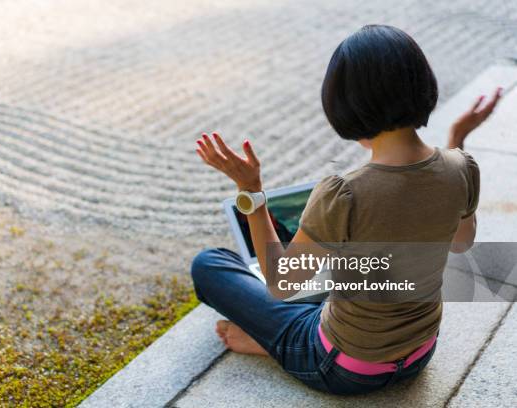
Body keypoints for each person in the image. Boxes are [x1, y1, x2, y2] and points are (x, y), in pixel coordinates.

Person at [191, 24, 502, 395]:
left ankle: (274, 345)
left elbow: (280, 283)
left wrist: (252, 193)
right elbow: (460, 243)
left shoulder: (343, 193)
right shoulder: (462, 168)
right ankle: (281, 337)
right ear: (423, 85)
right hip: (420, 353)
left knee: (209, 265)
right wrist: (457, 142)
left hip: (343, 369)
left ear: (344, 105)